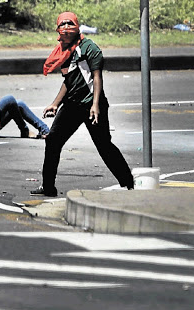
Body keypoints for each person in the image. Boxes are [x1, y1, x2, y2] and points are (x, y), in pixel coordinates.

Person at [31, 12, 134, 196]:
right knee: (53, 141)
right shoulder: (63, 51)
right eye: (62, 24)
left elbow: (96, 77)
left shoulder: (89, 48)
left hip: (92, 104)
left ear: (77, 26)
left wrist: (95, 105)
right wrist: (55, 104)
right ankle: (48, 188)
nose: (66, 28)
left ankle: (128, 183)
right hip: (72, 105)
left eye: (70, 24)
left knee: (104, 145)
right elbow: (68, 81)